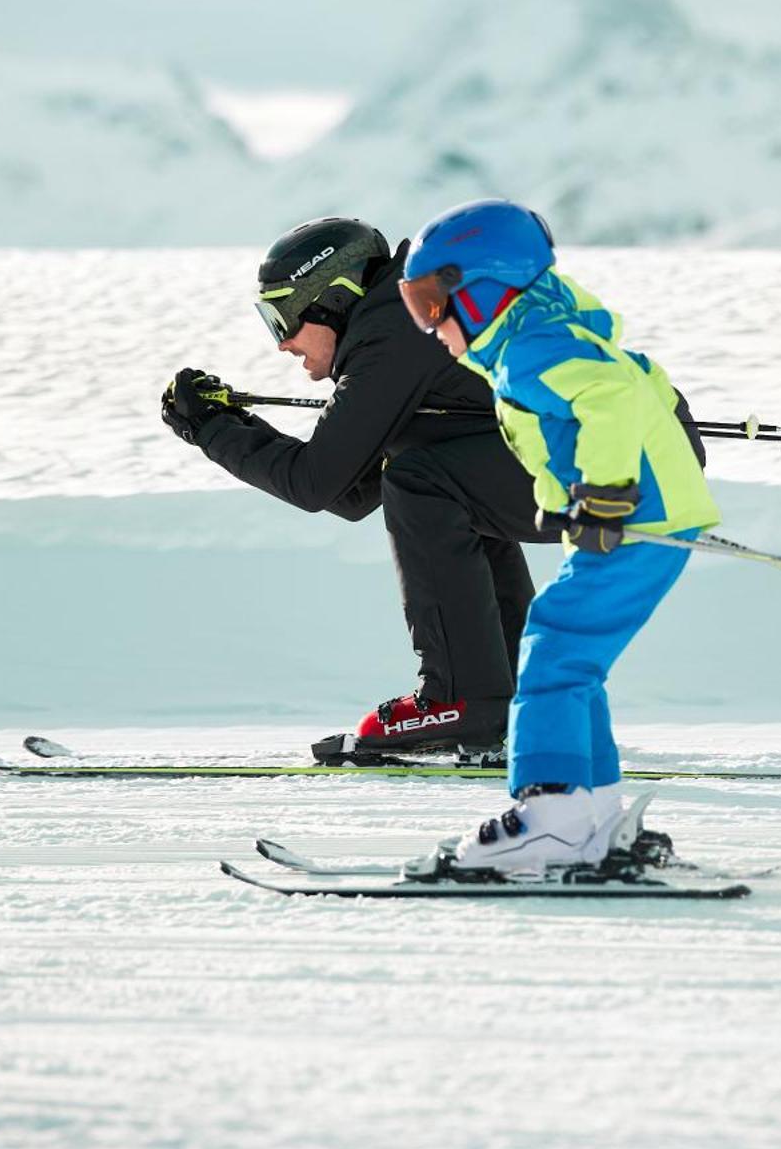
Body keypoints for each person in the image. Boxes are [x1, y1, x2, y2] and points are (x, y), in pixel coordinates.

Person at [396, 198, 719, 873]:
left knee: (551, 649)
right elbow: (639, 381)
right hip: (649, 517)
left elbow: (609, 395)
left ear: (483, 290)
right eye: (414, 303)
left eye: (431, 302)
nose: (428, 324)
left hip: (637, 521)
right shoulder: (543, 330)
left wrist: (604, 494)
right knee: (576, 662)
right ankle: (592, 816)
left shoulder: (532, 346)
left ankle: (552, 816)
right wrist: (572, 499)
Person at [161, 216, 551, 764]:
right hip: (628, 454)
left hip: (616, 460)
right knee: (437, 480)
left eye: (282, 318)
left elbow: (315, 483)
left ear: (332, 299)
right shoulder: (406, 319)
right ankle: (510, 701)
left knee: (422, 479)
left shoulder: (396, 329)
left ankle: (463, 701)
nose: (283, 343)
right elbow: (349, 492)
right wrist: (233, 425)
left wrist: (211, 429)